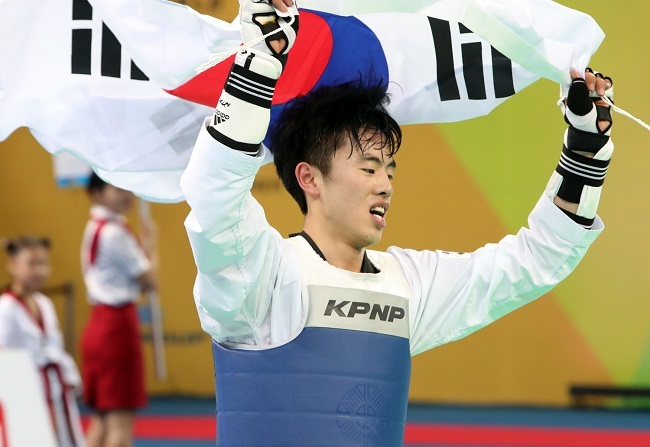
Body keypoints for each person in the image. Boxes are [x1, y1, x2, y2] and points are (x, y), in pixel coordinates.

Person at [181, 0, 615, 445]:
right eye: (369, 169)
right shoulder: (261, 279)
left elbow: (536, 259)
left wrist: (585, 152)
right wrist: (257, 65)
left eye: (390, 169)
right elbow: (215, 198)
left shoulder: (404, 286)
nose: (385, 185)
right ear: (309, 177)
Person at [80, 173, 157, 447]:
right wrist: (151, 248)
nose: (127, 193)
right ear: (97, 194)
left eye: (128, 187)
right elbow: (150, 281)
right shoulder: (114, 233)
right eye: (116, 187)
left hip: (100, 324)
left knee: (103, 420)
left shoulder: (97, 226)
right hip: (115, 329)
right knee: (120, 422)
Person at [0, 236, 85, 447]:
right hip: (23, 392)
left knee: (61, 439)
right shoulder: (6, 307)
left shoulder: (44, 303)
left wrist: (70, 375)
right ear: (12, 265)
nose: (39, 271)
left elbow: (55, 346)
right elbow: (4, 357)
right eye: (32, 264)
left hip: (54, 387)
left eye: (44, 264)